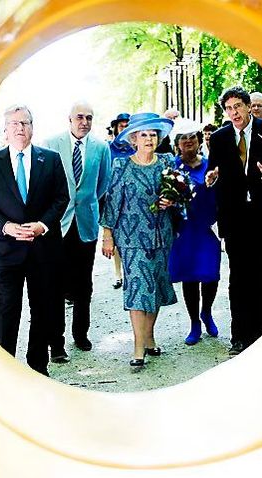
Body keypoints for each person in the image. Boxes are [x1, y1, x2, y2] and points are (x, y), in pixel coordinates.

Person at [0, 104, 69, 376]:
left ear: (32, 127)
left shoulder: (50, 160)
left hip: (42, 249)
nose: (20, 128)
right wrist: (5, 226)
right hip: (7, 249)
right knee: (7, 307)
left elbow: (61, 197)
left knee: (42, 307)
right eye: (14, 124)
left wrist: (42, 225)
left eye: (25, 123)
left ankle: (37, 364)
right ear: (5, 131)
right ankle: (5, 365)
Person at [204, 86, 262, 355]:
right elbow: (213, 170)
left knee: (261, 276)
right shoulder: (220, 138)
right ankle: (239, 336)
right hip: (235, 219)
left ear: (248, 107)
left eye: (238, 107)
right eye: (229, 109)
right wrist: (211, 178)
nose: (234, 113)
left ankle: (261, 336)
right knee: (239, 278)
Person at [99, 112, 179, 368]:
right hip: (132, 239)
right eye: (143, 134)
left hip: (161, 235)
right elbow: (112, 203)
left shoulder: (167, 162)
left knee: (155, 288)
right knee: (137, 290)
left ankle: (149, 337)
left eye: (152, 134)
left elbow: (179, 195)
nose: (148, 138)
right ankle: (137, 346)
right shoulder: (121, 166)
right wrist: (107, 235)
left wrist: (172, 200)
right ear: (133, 139)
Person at [42, 101, 112, 358]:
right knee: (56, 285)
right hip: (57, 224)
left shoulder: (101, 148)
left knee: (84, 283)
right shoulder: (51, 144)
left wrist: (89, 204)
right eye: (80, 117)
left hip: (85, 224)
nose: (84, 122)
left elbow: (103, 184)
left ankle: (81, 334)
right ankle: (56, 344)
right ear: (69, 119)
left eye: (89, 118)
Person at [168, 120, 221, 345]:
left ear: (199, 140)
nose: (188, 141)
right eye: (183, 138)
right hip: (184, 231)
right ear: (177, 144)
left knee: (210, 275)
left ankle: (206, 312)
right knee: (190, 278)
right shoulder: (172, 168)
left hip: (206, 228)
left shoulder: (211, 165)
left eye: (192, 137)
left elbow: (222, 195)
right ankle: (194, 324)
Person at [107, 112, 133, 290]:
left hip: (133, 197)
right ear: (116, 128)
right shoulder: (108, 148)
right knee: (116, 237)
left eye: (127, 125)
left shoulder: (136, 146)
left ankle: (130, 270)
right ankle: (118, 274)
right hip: (115, 196)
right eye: (121, 125)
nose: (124, 128)